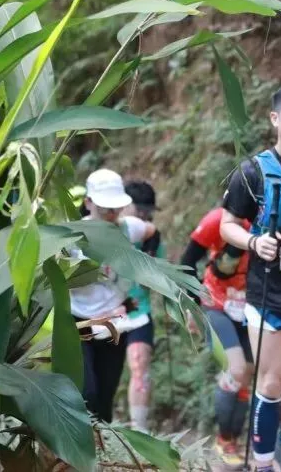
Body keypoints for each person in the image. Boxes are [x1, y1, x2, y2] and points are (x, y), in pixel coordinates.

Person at [220, 80, 281, 471]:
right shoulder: (252, 171)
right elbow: (227, 224)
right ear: (275, 118)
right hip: (266, 294)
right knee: (272, 382)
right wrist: (253, 241)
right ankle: (262, 465)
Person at [69, 169, 157, 423]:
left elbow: (152, 232)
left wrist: (146, 261)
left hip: (114, 323)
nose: (111, 214)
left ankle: (102, 446)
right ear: (88, 203)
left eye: (115, 208)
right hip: (79, 323)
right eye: (105, 208)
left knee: (105, 400)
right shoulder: (72, 237)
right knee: (86, 394)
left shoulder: (129, 228)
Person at [181, 206, 253, 470]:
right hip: (216, 303)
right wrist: (191, 305)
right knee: (235, 369)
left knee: (247, 373)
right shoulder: (217, 219)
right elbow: (188, 261)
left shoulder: (273, 218)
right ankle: (224, 441)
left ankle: (233, 440)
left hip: (251, 307)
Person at [121, 180, 165, 432]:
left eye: (149, 212)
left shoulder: (152, 238)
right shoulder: (107, 232)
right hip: (103, 314)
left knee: (139, 366)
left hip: (138, 312)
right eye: (141, 210)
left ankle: (140, 432)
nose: (145, 216)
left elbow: (161, 275)